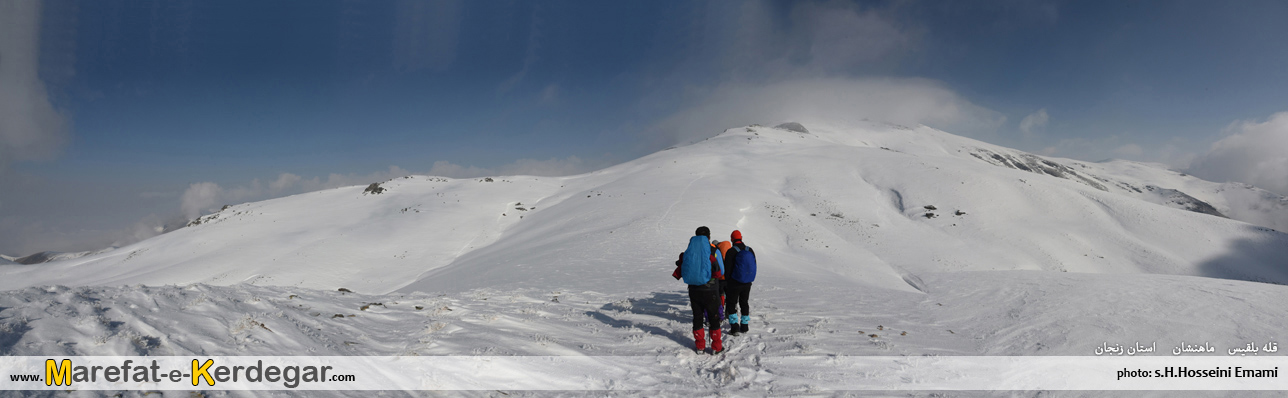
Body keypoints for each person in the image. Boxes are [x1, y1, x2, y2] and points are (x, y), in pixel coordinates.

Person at [677, 226, 725, 354]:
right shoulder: (713, 250)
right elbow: (721, 271)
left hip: (693, 290)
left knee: (697, 317)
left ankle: (700, 346)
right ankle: (716, 347)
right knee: (714, 317)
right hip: (710, 289)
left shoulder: (689, 250)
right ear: (708, 237)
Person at [724, 230, 756, 335]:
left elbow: (727, 269)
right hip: (747, 282)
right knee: (744, 302)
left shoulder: (731, 251)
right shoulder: (749, 249)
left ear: (732, 239)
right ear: (741, 238)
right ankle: (745, 325)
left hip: (734, 283)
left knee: (731, 303)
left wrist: (728, 282)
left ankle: (734, 326)